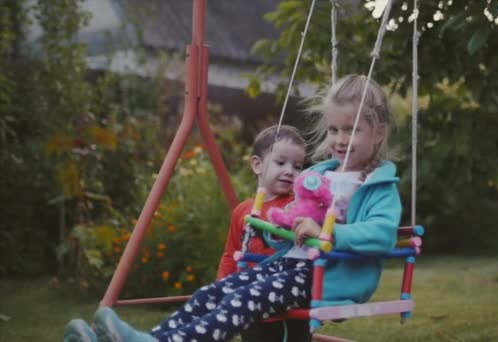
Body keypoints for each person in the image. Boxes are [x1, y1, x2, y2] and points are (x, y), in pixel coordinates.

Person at [63, 74, 402, 342]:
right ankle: (149, 338)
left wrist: (327, 232)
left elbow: (382, 234)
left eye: (352, 130)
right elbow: (296, 225)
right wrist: (281, 228)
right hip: (290, 266)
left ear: (378, 133)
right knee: (213, 292)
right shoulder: (319, 174)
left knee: (243, 301)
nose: (340, 139)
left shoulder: (377, 186)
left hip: (326, 277)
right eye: (333, 129)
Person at [216, 125, 312, 342]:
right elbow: (231, 254)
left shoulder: (295, 206)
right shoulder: (242, 211)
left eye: (298, 166)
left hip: (289, 310)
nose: (290, 171)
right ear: (257, 165)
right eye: (281, 162)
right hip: (251, 312)